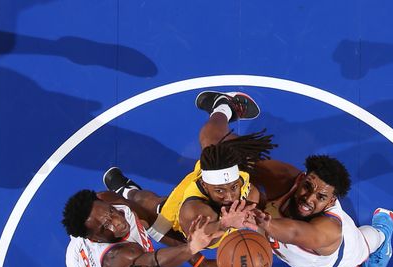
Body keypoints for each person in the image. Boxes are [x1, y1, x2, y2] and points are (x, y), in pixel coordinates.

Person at [104, 91, 276, 250]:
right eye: (220, 191)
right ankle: (127, 191)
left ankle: (223, 106)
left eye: (233, 188)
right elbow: (199, 240)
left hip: (217, 174)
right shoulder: (191, 209)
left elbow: (247, 190)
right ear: (204, 184)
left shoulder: (238, 177)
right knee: (152, 204)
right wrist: (225, 224)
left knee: (213, 142)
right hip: (179, 217)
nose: (230, 197)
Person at [230, 154, 393, 267]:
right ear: (302, 178)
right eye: (307, 187)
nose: (308, 199)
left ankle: (383, 232)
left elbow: (296, 233)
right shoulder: (284, 178)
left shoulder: (330, 229)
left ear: (331, 201)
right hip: (285, 242)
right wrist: (222, 111)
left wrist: (265, 224)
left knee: (368, 241)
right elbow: (229, 150)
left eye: (321, 197)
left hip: (341, 258)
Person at [61, 188, 222, 267]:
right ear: (94, 238)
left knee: (152, 210)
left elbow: (153, 222)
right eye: (106, 226)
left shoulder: (108, 200)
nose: (117, 222)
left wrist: (200, 262)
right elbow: (153, 264)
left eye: (111, 212)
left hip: (102, 244)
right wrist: (191, 248)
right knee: (148, 222)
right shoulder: (118, 258)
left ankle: (126, 189)